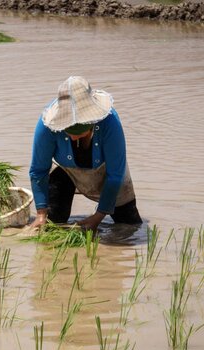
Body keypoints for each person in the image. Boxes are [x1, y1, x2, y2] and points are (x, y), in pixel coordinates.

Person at [28, 75, 142, 234]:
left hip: (108, 174)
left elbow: (115, 174)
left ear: (93, 122)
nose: (73, 137)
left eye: (80, 132)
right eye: (68, 131)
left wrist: (98, 217)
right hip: (67, 172)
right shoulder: (47, 125)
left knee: (129, 227)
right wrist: (41, 214)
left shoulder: (110, 122)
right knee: (52, 224)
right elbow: (38, 170)